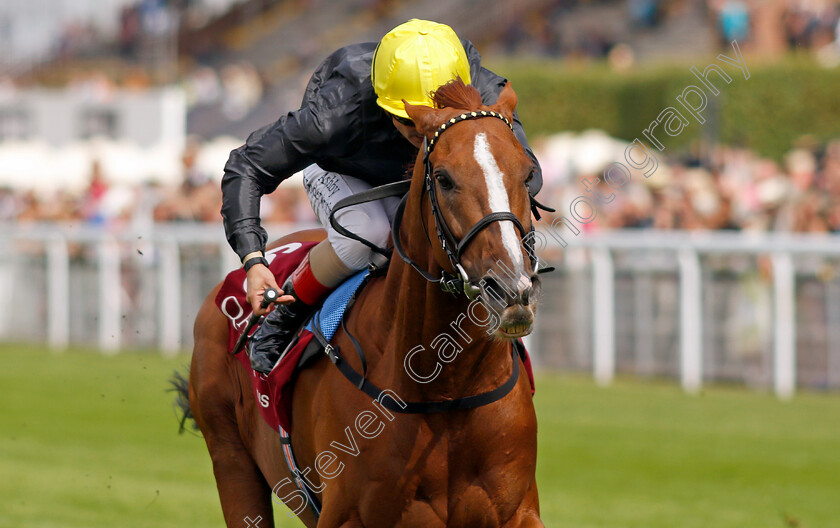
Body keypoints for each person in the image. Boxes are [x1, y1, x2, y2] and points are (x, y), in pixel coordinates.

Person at [221, 19, 543, 374]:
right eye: (412, 121)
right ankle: (285, 314)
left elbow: (526, 173)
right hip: (345, 172)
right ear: (385, 105)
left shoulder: (478, 87)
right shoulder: (334, 112)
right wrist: (253, 259)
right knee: (372, 234)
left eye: (437, 120)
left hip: (440, 176)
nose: (425, 131)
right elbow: (246, 165)